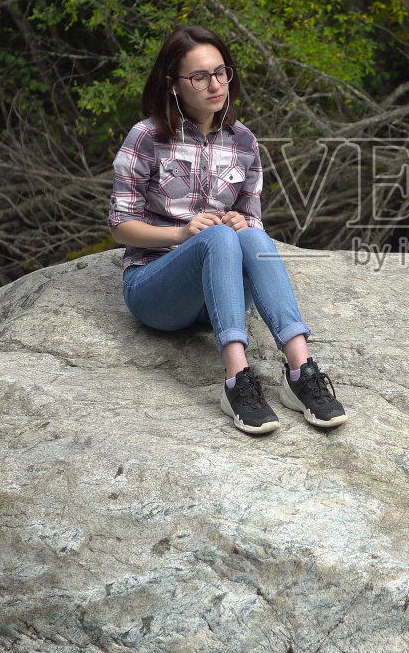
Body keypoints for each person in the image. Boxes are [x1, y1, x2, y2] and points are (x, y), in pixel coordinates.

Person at [108, 24, 347, 435]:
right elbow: (120, 228)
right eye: (199, 77)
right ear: (173, 84)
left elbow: (251, 217)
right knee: (217, 236)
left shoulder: (244, 142)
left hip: (221, 296)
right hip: (157, 288)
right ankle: (238, 380)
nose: (214, 85)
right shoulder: (146, 137)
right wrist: (182, 234)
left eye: (221, 73)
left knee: (253, 236)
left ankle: (300, 370)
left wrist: (241, 221)